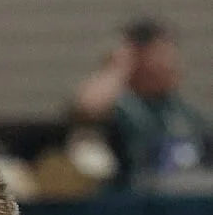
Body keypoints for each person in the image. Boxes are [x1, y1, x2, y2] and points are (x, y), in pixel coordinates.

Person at [73, 17, 213, 179]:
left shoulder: (183, 112)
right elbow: (87, 107)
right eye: (163, 53)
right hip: (138, 197)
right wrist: (119, 66)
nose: (174, 62)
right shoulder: (123, 106)